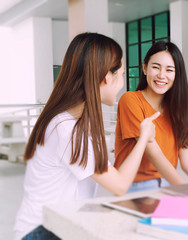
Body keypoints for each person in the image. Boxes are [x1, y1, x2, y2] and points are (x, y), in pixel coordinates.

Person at [13, 32, 159, 240]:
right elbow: (119, 185)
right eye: (122, 74)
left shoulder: (76, 119)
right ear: (107, 78)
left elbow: (108, 176)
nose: (122, 83)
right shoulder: (67, 128)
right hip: (43, 230)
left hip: (57, 223)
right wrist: (144, 137)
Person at [114, 41, 188, 192]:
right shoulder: (130, 100)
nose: (161, 75)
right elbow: (154, 154)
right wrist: (185, 190)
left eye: (169, 70)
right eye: (155, 67)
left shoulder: (178, 110)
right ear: (144, 68)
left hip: (168, 184)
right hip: (136, 186)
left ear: (177, 75)